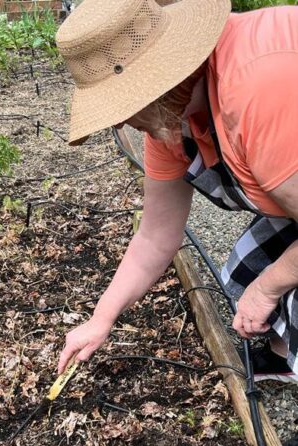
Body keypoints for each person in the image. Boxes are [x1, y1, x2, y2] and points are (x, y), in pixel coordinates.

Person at [55, 0, 298, 384]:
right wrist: (100, 320)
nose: (119, 120)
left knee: (279, 291)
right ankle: (286, 359)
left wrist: (269, 288)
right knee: (244, 272)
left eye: (119, 105)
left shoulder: (257, 89)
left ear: (154, 84)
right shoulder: (170, 119)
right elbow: (155, 236)